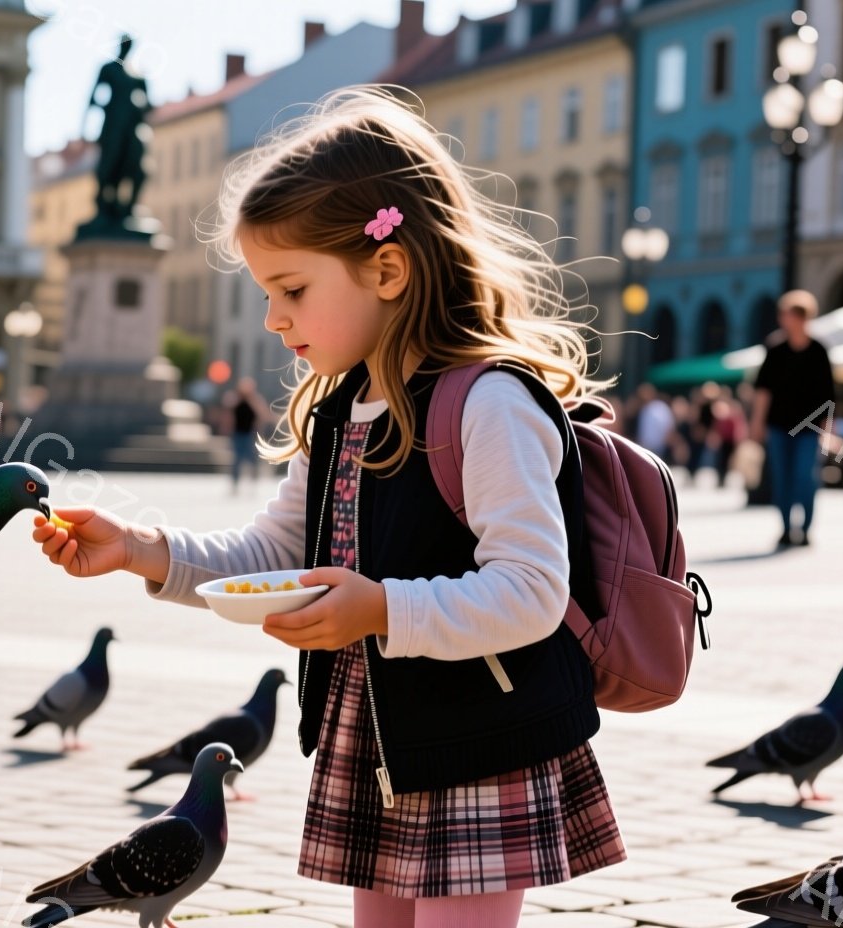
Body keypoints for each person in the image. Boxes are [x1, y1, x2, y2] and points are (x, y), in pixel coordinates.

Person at [31, 88, 622, 927]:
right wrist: (139, 549)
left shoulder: (489, 404)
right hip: (377, 737)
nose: (273, 318)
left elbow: (530, 591)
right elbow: (276, 553)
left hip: (479, 745)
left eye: (293, 289)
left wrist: (381, 609)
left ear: (387, 267)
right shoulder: (344, 409)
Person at [751, 289, 836, 548]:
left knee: (804, 476)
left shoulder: (819, 351)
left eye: (787, 314)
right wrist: (757, 422)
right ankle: (787, 528)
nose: (783, 319)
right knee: (782, 477)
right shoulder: (775, 350)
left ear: (802, 318)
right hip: (778, 425)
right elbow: (763, 390)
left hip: (810, 428)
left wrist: (827, 428)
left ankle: (806, 528)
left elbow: (829, 394)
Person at [226, 377, 271, 494]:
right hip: (237, 433)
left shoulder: (255, 400)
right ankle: (235, 484)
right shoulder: (235, 399)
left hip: (249, 434)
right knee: (237, 459)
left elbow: (262, 415)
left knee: (252, 459)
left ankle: (253, 482)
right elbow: (228, 413)